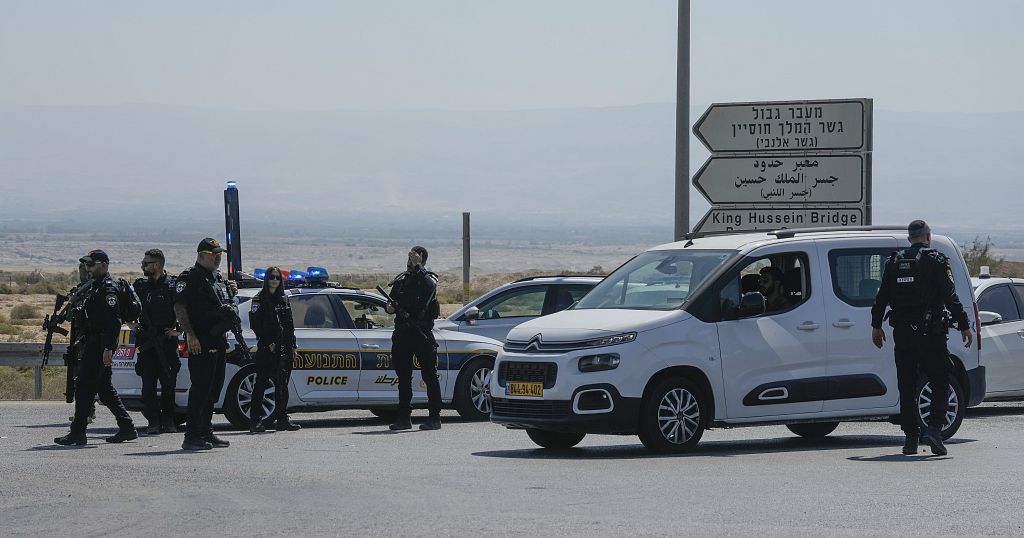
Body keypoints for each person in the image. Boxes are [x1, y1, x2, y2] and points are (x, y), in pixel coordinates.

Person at [871, 220, 973, 456]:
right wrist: (965, 325)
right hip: (931, 333)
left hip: (903, 335)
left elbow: (882, 296)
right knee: (939, 380)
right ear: (927, 236)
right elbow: (950, 296)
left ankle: (910, 439)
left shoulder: (894, 262)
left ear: (909, 239)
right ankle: (935, 430)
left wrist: (876, 326)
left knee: (906, 384)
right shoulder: (935, 261)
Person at [55, 250, 138, 445]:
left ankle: (77, 432)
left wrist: (109, 348)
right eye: (86, 265)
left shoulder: (108, 289)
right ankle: (127, 427)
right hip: (94, 342)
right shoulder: (95, 287)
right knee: (104, 387)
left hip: (101, 345)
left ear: (104, 265)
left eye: (92, 265)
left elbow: (113, 322)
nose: (88, 268)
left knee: (84, 386)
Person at [173, 238, 236, 451]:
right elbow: (180, 308)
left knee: (214, 387)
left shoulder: (216, 277)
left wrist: (231, 292)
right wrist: (190, 335)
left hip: (217, 338)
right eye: (214, 254)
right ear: (201, 254)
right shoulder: (190, 277)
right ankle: (191, 435)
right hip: (200, 338)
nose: (218, 258)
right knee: (200, 388)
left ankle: (206, 432)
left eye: (219, 254)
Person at [386, 246, 442, 431]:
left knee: (429, 376)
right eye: (409, 259)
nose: (410, 262)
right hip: (403, 334)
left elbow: (430, 288)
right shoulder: (402, 280)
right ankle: (404, 418)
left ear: (422, 260)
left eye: (414, 259)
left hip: (422, 334)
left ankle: (434, 418)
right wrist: (391, 307)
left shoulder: (429, 278)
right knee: (403, 377)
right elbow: (390, 302)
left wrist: (419, 268)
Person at [133, 249, 181, 435]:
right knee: (148, 387)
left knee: (169, 385)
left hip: (166, 342)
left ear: (158, 265)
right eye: (143, 263)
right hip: (146, 343)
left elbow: (187, 309)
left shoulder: (173, 285)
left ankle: (169, 422)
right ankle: (153, 422)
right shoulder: (140, 286)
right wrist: (132, 324)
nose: (143, 266)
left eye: (147, 263)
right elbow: (126, 306)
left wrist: (179, 331)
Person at [248, 266, 299, 433]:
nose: (275, 280)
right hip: (267, 348)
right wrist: (268, 343)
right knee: (261, 384)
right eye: (272, 277)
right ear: (267, 279)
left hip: (284, 348)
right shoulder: (259, 299)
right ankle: (255, 421)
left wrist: (292, 345)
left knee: (282, 385)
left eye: (277, 278)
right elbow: (255, 325)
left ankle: (282, 419)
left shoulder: (283, 299)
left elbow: (290, 325)